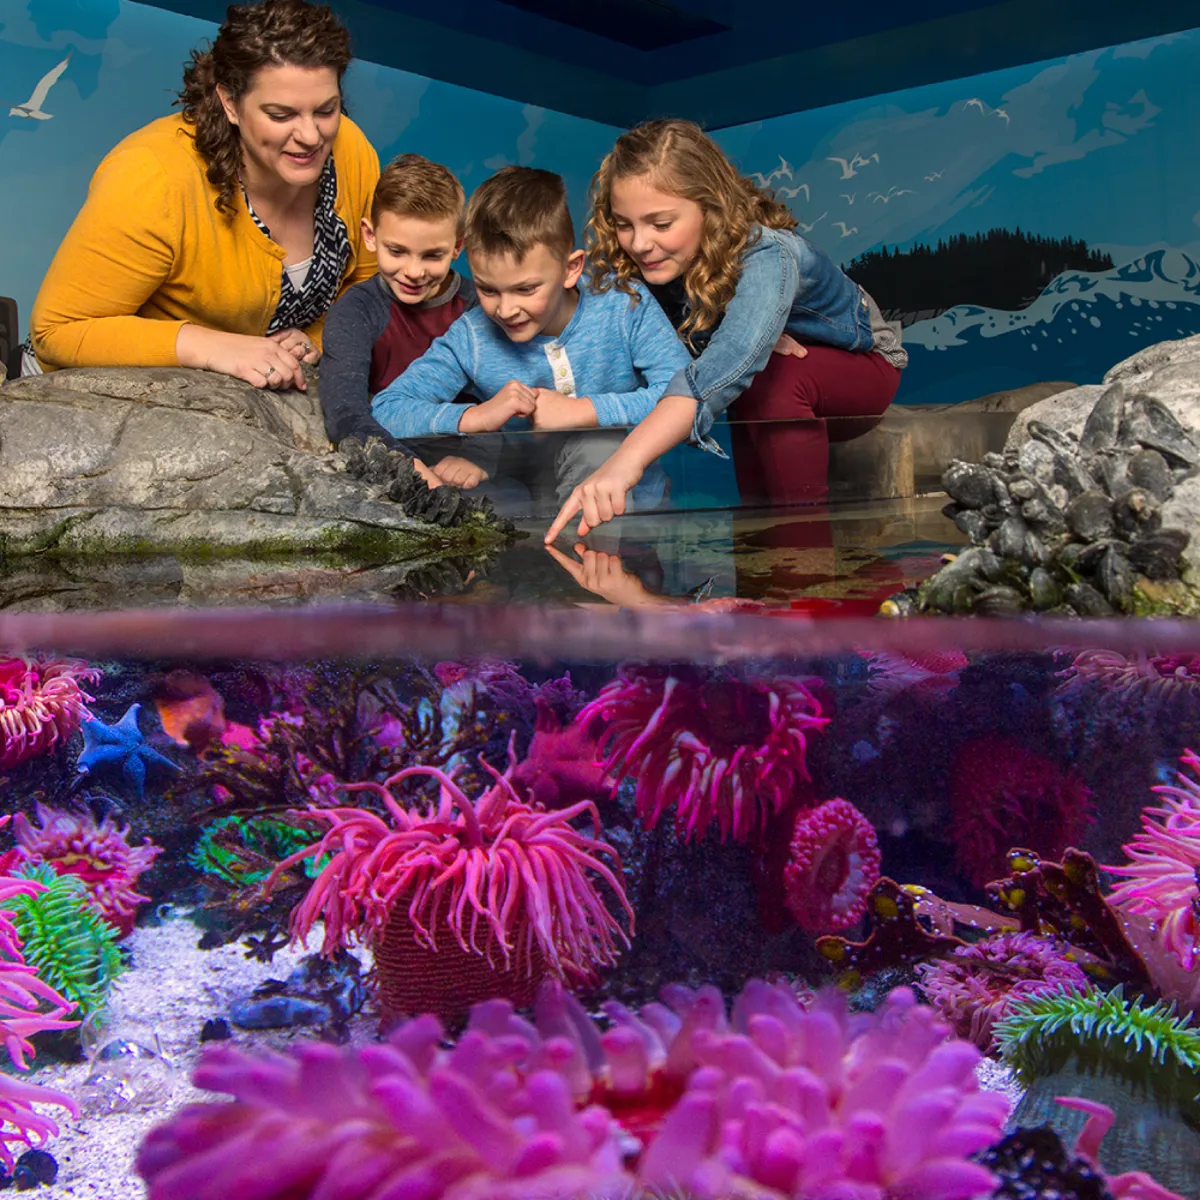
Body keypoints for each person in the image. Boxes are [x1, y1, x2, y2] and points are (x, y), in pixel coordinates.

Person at [545, 118, 906, 543]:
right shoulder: (651, 270)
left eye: (661, 224)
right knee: (754, 392)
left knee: (771, 377)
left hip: (864, 369)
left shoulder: (769, 254)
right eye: (625, 224)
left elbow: (725, 364)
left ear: (711, 208)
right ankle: (755, 574)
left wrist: (625, 463)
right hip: (766, 388)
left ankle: (808, 559)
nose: (639, 243)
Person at [25, 0, 380, 393]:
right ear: (230, 102)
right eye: (281, 115)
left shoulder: (352, 150)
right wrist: (213, 347)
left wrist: (315, 340)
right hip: (89, 397)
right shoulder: (153, 176)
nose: (312, 136)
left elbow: (366, 286)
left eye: (326, 110)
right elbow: (57, 331)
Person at [371, 165, 690, 511]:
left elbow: (688, 394)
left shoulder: (624, 304)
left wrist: (583, 411)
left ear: (570, 269)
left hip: (637, 517)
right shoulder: (473, 335)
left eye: (526, 289)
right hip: (531, 521)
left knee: (596, 444)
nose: (506, 310)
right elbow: (387, 410)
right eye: (488, 289)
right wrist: (474, 418)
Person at [319, 152, 491, 487]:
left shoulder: (478, 307)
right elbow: (344, 412)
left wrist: (479, 457)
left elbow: (501, 396)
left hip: (461, 461)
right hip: (384, 456)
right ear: (370, 236)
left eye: (432, 255)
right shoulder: (355, 310)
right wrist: (404, 464)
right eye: (396, 251)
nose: (413, 272)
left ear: (458, 246)